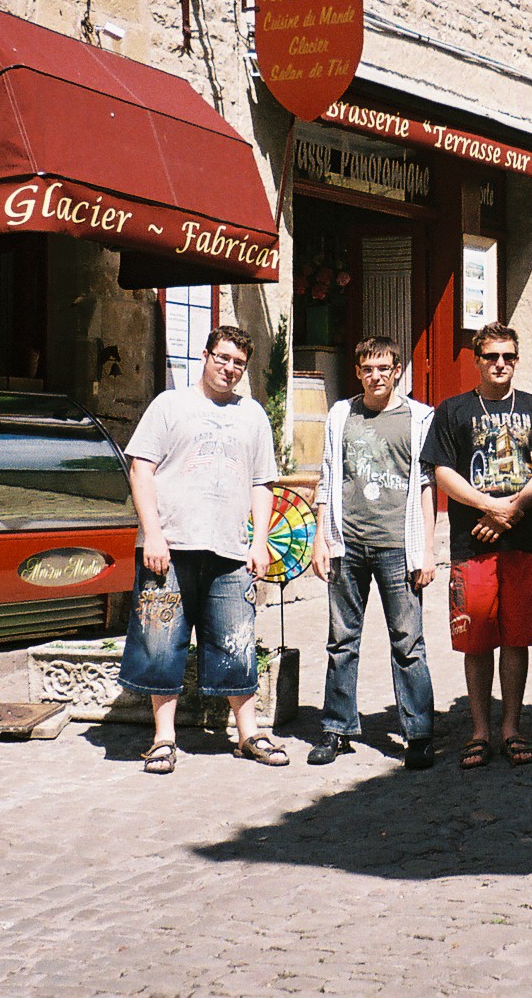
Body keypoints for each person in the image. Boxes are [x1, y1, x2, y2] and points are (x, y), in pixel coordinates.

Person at [119, 325, 284, 774]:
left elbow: (262, 482)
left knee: (237, 641)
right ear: (206, 355)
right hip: (169, 548)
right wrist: (153, 533)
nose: (229, 369)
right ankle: (163, 739)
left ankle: (248, 733)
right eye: (223, 358)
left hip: (230, 552)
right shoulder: (170, 405)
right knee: (161, 643)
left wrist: (260, 541)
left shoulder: (252, 415)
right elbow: (140, 469)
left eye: (238, 363)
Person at [421, 322, 532, 770]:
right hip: (472, 542)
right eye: (491, 357)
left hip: (525, 541)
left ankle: (511, 728)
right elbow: (442, 471)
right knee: (477, 639)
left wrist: (514, 509)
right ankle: (480, 730)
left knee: (517, 638)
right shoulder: (453, 410)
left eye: (508, 356)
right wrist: (488, 506)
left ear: (517, 360)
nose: (500, 364)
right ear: (477, 360)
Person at [308, 336, 438, 770]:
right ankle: (337, 728)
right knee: (341, 640)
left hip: (398, 546)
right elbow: (328, 476)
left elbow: (427, 485)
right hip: (347, 543)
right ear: (358, 372)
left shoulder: (419, 418)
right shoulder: (341, 415)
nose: (376, 376)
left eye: (384, 368)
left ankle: (418, 733)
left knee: (408, 641)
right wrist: (321, 538)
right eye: (368, 369)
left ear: (397, 371)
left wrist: (427, 550)